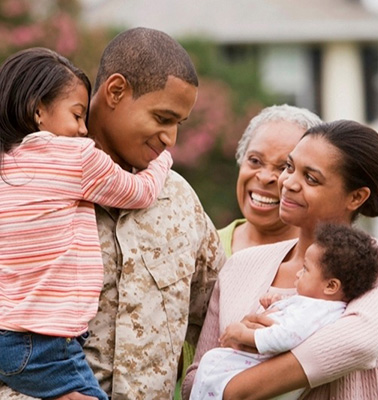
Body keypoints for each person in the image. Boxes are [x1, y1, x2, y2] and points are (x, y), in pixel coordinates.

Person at [0, 27, 226, 400]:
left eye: (178, 125)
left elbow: (217, 318)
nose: (171, 139)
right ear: (116, 91)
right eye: (162, 118)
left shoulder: (180, 200)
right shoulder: (13, 185)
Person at [182, 119, 378, 400]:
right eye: (290, 167)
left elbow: (357, 344)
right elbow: (192, 382)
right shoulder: (240, 266)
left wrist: (252, 356)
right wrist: (235, 351)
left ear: (356, 196)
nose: (287, 183)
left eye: (311, 178)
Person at [189, 223, 378, 400]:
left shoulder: (320, 309)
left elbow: (285, 336)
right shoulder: (317, 304)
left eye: (306, 270)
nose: (298, 273)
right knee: (211, 367)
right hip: (264, 373)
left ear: (331, 286)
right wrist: (273, 306)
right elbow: (291, 321)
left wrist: (243, 334)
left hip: (266, 375)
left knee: (212, 366)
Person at [218, 104, 322, 257]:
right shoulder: (202, 247)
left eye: (285, 167)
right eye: (255, 161)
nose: (265, 178)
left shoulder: (327, 261)